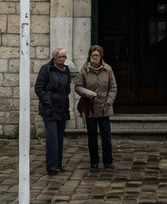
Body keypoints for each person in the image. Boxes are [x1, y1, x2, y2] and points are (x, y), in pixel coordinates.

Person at [73, 44, 117, 170]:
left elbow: (113, 87)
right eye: (93, 55)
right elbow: (78, 87)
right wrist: (87, 93)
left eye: (97, 55)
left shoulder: (107, 70)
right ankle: (94, 162)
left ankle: (108, 161)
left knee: (106, 136)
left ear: (101, 56)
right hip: (90, 108)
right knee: (92, 136)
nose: (95, 58)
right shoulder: (84, 71)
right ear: (90, 56)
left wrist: (108, 102)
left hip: (104, 107)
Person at [34, 47, 71, 175]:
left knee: (60, 137)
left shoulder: (66, 70)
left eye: (64, 57)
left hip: (62, 107)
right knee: (52, 137)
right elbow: (39, 88)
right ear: (54, 57)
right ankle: (51, 166)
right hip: (49, 108)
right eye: (60, 56)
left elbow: (67, 89)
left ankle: (58, 165)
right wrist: (47, 100)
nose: (62, 59)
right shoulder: (46, 69)